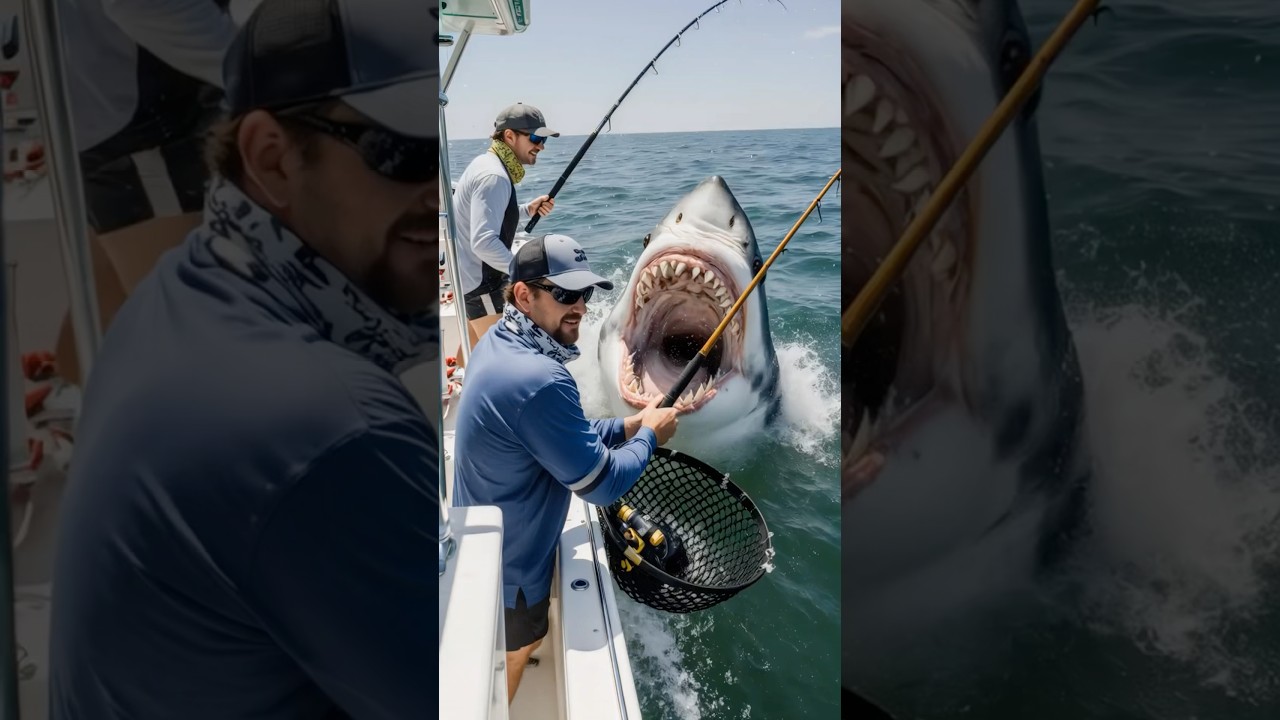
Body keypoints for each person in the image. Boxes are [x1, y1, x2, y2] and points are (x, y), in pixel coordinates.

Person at [49, 1, 439, 718]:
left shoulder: (180, 287)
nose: (441, 196)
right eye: (407, 154)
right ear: (271, 157)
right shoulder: (335, 429)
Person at [452, 233, 683, 703]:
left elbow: (553, 434)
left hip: (485, 537)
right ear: (523, 295)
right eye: (564, 294)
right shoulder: (540, 378)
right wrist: (650, 436)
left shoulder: (501, 341)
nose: (579, 306)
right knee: (518, 650)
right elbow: (602, 484)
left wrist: (625, 425)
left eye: (585, 293)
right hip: (513, 568)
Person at [47, 0, 241, 389]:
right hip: (143, 128)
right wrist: (257, 72)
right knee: (191, 340)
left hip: (104, 112)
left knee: (105, 302)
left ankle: (73, 415)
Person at [451, 102, 558, 326]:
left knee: (474, 350)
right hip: (483, 285)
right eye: (536, 139)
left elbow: (489, 219)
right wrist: (524, 273)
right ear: (510, 136)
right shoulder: (495, 176)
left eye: (544, 140)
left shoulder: (485, 164)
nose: (541, 147)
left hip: (471, 280)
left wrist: (529, 210)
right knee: (501, 357)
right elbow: (484, 242)